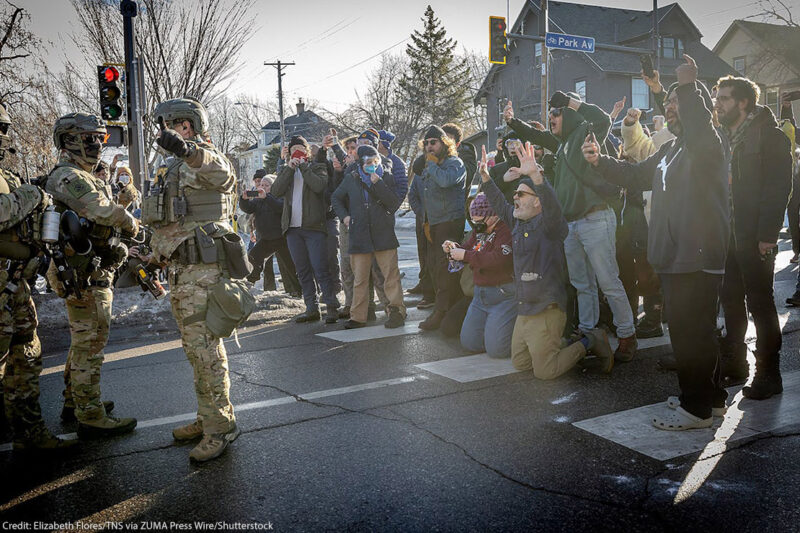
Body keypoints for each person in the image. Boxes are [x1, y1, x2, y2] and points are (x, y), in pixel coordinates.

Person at [583, 55, 730, 430]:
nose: (671, 110)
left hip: (696, 254)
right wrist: (600, 162)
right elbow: (633, 175)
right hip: (675, 255)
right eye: (668, 107)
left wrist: (684, 83)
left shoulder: (706, 145)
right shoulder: (669, 150)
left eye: (677, 105)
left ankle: (694, 409)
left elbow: (697, 118)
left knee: (690, 334)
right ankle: (710, 400)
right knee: (693, 332)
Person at [504, 93, 638, 361]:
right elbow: (538, 136)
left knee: (608, 281)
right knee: (581, 283)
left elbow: (601, 118)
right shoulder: (562, 143)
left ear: (571, 114)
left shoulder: (586, 132)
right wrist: (513, 121)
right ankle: (589, 335)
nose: (551, 118)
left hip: (596, 218)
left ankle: (627, 335)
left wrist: (569, 101)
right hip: (572, 225)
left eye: (556, 113)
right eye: (550, 114)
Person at [144, 97, 240, 461]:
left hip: (205, 273)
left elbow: (224, 176)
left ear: (188, 125)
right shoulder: (171, 168)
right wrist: (153, 255)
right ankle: (207, 416)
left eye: (170, 124)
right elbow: (171, 222)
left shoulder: (203, 157)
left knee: (207, 353)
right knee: (195, 353)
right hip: (181, 273)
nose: (164, 131)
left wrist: (188, 151)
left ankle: (221, 427)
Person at [481, 143, 614, 378]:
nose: (515, 199)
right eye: (515, 194)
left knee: (546, 372)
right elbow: (499, 203)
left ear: (537, 202)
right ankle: (558, 343)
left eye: (521, 194)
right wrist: (485, 177)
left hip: (547, 309)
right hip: (525, 308)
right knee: (521, 363)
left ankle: (590, 341)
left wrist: (536, 178)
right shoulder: (516, 223)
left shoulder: (550, 226)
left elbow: (552, 207)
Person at [44, 112, 139, 438]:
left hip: (92, 270)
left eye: (99, 138)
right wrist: (132, 224)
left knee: (83, 343)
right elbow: (100, 210)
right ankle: (90, 414)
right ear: (68, 142)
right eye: (89, 139)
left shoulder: (84, 176)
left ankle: (76, 400)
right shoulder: (69, 176)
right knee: (90, 346)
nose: (97, 145)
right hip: (82, 274)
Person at [0, 103, 77, 452]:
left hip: (15, 287)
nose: (3, 136)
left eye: (4, 129)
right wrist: (31, 195)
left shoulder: (6, 174)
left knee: (26, 358)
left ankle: (28, 433)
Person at [715, 76, 792, 397]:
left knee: (760, 303)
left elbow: (779, 188)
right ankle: (736, 363)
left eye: (724, 99)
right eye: (717, 98)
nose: (717, 104)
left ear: (743, 102)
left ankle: (769, 375)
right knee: (730, 301)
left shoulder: (769, 136)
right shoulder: (722, 136)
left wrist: (767, 235)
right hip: (726, 235)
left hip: (754, 235)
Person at [331, 145, 406, 329]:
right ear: (361, 163)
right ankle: (358, 316)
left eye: (375, 161)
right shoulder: (351, 178)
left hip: (383, 233)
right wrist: (345, 216)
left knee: (391, 276)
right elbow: (336, 198)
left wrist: (378, 183)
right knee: (360, 278)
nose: (372, 165)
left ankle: (396, 312)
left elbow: (393, 203)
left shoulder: (385, 176)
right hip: (360, 234)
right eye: (368, 162)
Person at [272, 135, 340, 324]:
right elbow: (276, 191)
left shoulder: (317, 166)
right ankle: (311, 308)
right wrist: (289, 168)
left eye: (300, 149)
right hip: (293, 229)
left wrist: (302, 166)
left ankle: (332, 306)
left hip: (313, 227)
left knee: (320, 268)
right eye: (293, 150)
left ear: (307, 151)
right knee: (302, 270)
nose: (297, 153)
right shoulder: (287, 170)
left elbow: (319, 186)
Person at [443, 193, 516, 358]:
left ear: (494, 215)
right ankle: (495, 331)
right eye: (474, 221)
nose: (476, 225)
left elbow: (498, 259)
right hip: (480, 295)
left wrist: (465, 256)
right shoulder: (479, 231)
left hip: (502, 294)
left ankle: (513, 332)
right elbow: (467, 248)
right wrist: (453, 248)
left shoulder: (506, 230)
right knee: (470, 343)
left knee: (498, 351)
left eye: (479, 221)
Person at [417, 125, 467, 331]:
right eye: (426, 143)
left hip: (450, 223)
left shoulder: (454, 162)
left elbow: (446, 181)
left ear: (444, 143)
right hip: (436, 224)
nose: (429, 146)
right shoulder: (432, 165)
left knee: (446, 270)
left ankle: (442, 312)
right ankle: (445, 310)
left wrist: (432, 166)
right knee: (436, 269)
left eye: (433, 142)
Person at [240, 170, 301, 296]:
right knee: (253, 257)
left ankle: (299, 290)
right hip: (267, 238)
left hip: (281, 238)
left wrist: (267, 197)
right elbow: (248, 208)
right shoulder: (258, 200)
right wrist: (243, 199)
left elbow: (279, 207)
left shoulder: (279, 197)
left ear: (273, 186)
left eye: (266, 185)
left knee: (290, 266)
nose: (262, 187)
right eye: (261, 185)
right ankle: (250, 282)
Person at [442, 123, 477, 200]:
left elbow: (464, 178)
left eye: (449, 141)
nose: (445, 144)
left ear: (457, 144)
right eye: (443, 140)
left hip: (457, 207)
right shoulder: (433, 154)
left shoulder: (467, 155)